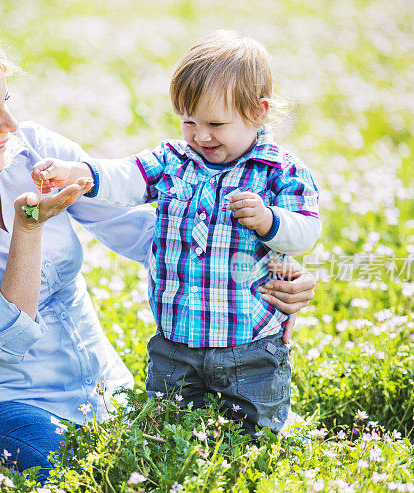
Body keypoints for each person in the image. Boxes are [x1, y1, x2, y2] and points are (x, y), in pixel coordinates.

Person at [0, 18, 318, 491]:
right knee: (60, 475)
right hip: (9, 403)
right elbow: (2, 341)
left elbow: (150, 235)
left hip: (103, 392)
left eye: (7, 103)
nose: (11, 124)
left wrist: (266, 266)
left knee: (140, 470)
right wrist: (29, 229)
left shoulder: (34, 153)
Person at [31, 30, 321, 434]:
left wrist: (269, 220)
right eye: (189, 122)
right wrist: (84, 174)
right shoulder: (174, 160)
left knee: (256, 431)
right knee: (168, 429)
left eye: (216, 124)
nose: (201, 136)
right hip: (176, 342)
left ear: (258, 112)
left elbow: (305, 231)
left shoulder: (280, 171)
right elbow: (128, 176)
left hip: (250, 345)